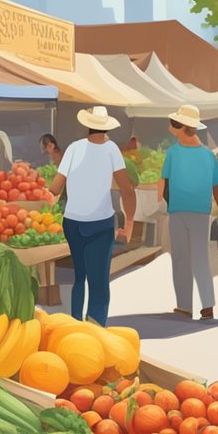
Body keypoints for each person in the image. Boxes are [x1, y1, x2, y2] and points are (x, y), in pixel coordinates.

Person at [49, 106, 138, 326]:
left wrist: (47, 209)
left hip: (72, 222)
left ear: (87, 125)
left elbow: (56, 187)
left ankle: (75, 324)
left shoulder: (73, 148)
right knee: (98, 280)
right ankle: (95, 328)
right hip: (100, 223)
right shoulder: (111, 150)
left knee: (80, 276)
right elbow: (127, 190)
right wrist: (129, 224)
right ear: (106, 127)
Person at [161, 105, 218, 320]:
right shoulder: (208, 156)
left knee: (181, 258)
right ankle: (207, 305)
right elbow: (216, 187)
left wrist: (172, 203)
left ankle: (184, 306)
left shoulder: (172, 153)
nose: (170, 127)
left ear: (181, 128)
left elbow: (165, 185)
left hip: (179, 211)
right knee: (200, 257)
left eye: (174, 124)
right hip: (201, 212)